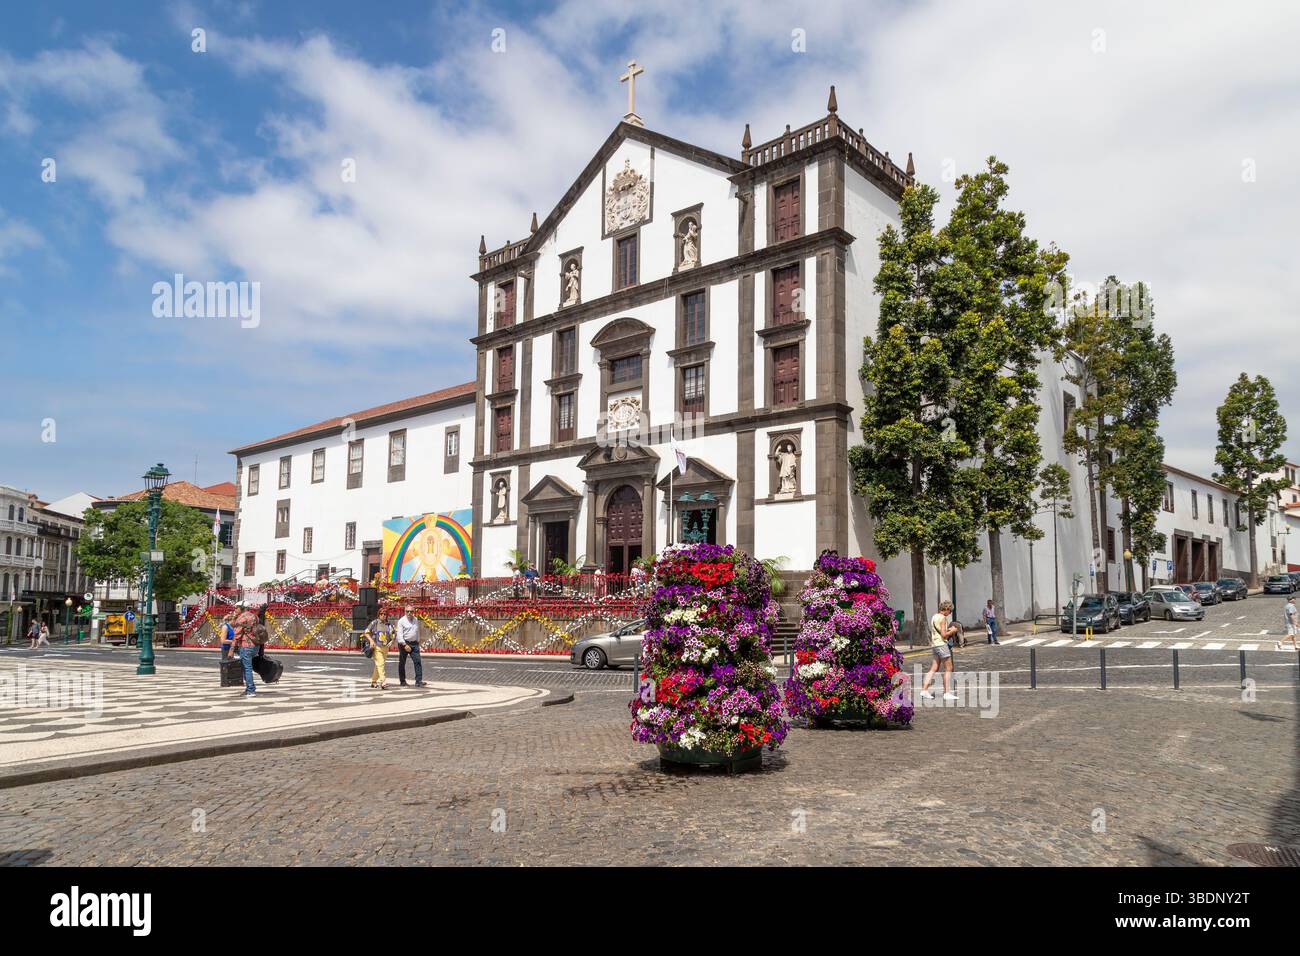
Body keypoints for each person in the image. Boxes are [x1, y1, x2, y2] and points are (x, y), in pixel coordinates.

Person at [919, 600, 960, 702]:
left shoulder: (934, 616)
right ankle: (946, 693)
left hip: (935, 645)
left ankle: (924, 690)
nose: (950, 613)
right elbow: (944, 635)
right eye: (950, 611)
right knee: (949, 668)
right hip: (942, 645)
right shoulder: (943, 618)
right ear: (946, 609)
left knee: (934, 668)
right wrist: (953, 631)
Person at [231, 602, 261, 697]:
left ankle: (250, 690)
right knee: (248, 667)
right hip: (255, 645)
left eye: (236, 608)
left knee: (247, 668)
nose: (235, 610)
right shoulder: (255, 617)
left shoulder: (242, 618)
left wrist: (231, 650)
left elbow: (237, 635)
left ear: (242, 608)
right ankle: (250, 688)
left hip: (246, 645)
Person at [365, 608, 396, 690]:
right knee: (381, 664)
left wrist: (392, 641)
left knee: (378, 665)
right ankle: (383, 681)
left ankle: (373, 681)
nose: (383, 615)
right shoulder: (374, 623)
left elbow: (393, 634)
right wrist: (371, 641)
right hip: (377, 647)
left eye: (385, 614)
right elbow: (366, 632)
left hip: (385, 647)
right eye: (381, 614)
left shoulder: (389, 625)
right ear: (378, 615)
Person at [396, 605, 425, 687]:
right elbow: (399, 635)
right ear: (405, 612)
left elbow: (417, 631)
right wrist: (404, 645)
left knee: (418, 662)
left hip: (414, 644)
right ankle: (402, 681)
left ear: (413, 612)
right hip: (404, 644)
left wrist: (418, 640)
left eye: (411, 611)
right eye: (407, 611)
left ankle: (418, 681)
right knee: (402, 663)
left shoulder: (415, 619)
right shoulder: (401, 621)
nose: (409, 613)